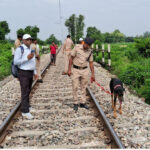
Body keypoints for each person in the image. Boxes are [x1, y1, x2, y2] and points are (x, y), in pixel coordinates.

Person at [14, 34, 38, 119]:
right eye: (27, 39)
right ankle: (25, 111)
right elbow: (16, 62)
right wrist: (26, 58)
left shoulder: (31, 49)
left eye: (30, 39)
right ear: (23, 40)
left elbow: (33, 61)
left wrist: (35, 72)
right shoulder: (19, 49)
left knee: (28, 90)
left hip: (30, 72)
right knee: (24, 92)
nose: (29, 41)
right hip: (23, 72)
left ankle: (27, 106)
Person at [68, 37, 95, 112]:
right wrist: (69, 69)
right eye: (87, 44)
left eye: (90, 45)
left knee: (84, 87)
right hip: (76, 70)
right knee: (75, 86)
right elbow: (71, 58)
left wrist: (93, 74)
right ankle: (75, 103)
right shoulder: (77, 48)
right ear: (84, 43)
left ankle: (83, 102)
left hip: (85, 70)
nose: (88, 46)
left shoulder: (90, 51)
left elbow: (91, 63)